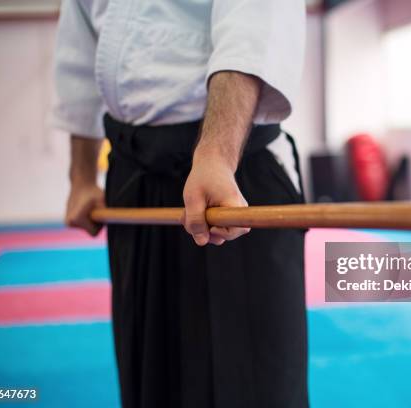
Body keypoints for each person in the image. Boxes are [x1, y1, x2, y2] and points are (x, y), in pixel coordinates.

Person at [51, 0, 308, 406]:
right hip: (133, 181)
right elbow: (79, 50)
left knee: (251, 383)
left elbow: (253, 22)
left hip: (233, 173)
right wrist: (81, 177)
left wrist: (217, 155)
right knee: (149, 373)